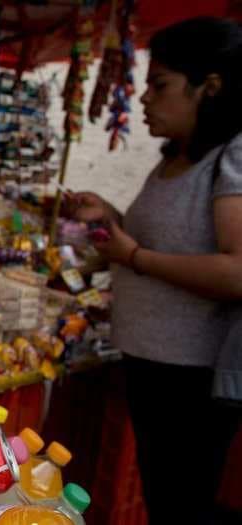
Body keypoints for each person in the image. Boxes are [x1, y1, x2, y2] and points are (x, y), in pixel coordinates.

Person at [71, 18, 242, 524]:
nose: (144, 98)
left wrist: (132, 256)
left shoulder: (231, 157)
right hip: (153, 366)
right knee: (165, 498)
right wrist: (111, 218)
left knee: (182, 504)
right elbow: (165, 243)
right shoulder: (176, 158)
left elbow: (237, 271)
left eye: (160, 84)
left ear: (209, 87)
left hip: (192, 380)